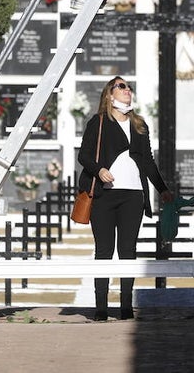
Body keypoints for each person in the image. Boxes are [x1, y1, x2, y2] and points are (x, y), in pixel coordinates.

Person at [76, 76, 173, 321]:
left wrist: (162, 190)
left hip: (133, 196)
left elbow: (148, 162)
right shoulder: (98, 122)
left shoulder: (139, 124)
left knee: (128, 250)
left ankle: (126, 307)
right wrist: (99, 170)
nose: (127, 90)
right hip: (104, 196)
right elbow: (84, 156)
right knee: (104, 250)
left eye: (128, 87)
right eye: (121, 87)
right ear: (109, 95)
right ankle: (100, 307)